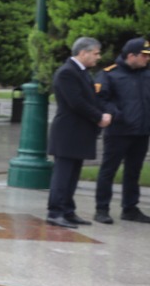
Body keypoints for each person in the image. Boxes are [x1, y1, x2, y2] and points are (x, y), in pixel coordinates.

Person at [47, 36, 111, 229]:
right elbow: (77, 103)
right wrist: (99, 117)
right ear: (83, 53)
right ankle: (55, 212)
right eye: (95, 53)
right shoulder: (67, 73)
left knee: (72, 175)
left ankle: (67, 210)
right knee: (63, 175)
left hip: (78, 133)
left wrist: (104, 112)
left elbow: (90, 99)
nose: (98, 57)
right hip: (68, 133)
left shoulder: (81, 72)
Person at [95, 36, 149, 224]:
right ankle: (102, 209)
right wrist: (114, 113)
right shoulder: (110, 74)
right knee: (108, 170)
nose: (147, 59)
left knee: (134, 171)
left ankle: (130, 208)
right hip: (118, 132)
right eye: (144, 55)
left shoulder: (147, 73)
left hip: (141, 132)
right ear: (131, 56)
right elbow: (101, 99)